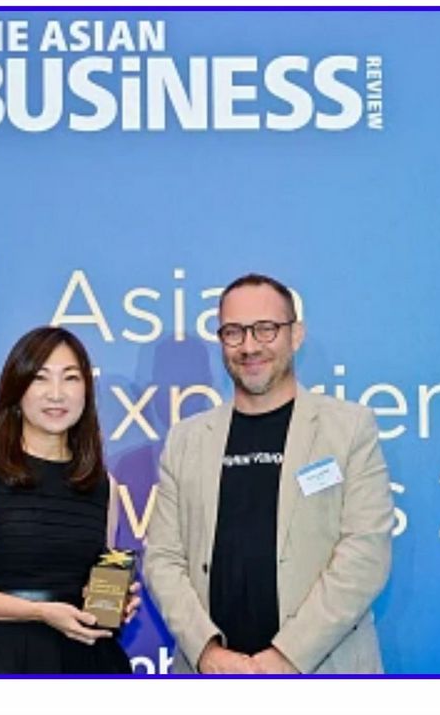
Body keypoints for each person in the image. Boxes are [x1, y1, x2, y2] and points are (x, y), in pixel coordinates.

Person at [145, 273, 393, 674]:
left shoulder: (348, 429)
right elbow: (162, 558)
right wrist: (207, 653)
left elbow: (365, 555)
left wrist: (286, 657)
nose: (249, 346)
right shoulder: (186, 439)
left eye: (266, 329)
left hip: (323, 671)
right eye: (234, 332)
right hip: (210, 677)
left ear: (296, 335)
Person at [0, 326, 138, 674]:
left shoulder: (104, 485)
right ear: (18, 389)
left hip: (83, 660)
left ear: (86, 390)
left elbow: (92, 580)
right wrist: (39, 612)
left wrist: (112, 601)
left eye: (70, 378)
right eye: (40, 378)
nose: (56, 394)